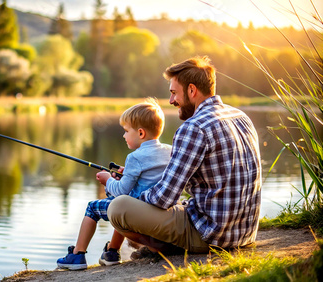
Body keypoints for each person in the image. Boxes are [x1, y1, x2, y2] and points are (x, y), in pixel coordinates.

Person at [107, 56, 262, 256]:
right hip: (246, 234)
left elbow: (164, 198)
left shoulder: (193, 127)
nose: (171, 101)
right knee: (178, 204)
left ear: (191, 90)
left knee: (118, 207)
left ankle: (162, 249)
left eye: (174, 93)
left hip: (212, 236)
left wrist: (135, 194)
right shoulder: (241, 117)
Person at [57, 98, 172, 270]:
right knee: (120, 201)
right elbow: (151, 176)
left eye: (126, 131)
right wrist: (127, 173)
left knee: (93, 207)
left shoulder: (135, 157)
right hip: (157, 210)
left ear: (140, 133)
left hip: (137, 211)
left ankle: (77, 255)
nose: (124, 135)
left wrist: (107, 179)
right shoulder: (169, 150)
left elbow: (121, 192)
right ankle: (111, 252)